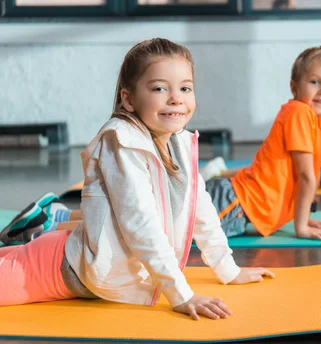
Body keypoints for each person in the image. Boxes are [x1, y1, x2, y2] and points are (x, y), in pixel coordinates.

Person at [0, 38, 273, 319]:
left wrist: (228, 269)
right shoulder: (122, 143)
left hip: (92, 264)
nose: (176, 97)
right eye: (159, 88)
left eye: (185, 88)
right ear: (128, 99)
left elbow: (200, 210)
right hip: (60, 268)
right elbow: (140, 223)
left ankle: (29, 231)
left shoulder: (179, 141)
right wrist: (181, 295)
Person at [200, 46, 321, 241]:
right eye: (314, 82)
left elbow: (306, 175)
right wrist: (301, 227)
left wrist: (303, 217)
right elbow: (306, 176)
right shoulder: (299, 112)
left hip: (237, 205)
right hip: (233, 203)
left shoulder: (319, 120)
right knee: (166, 235)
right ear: (295, 88)